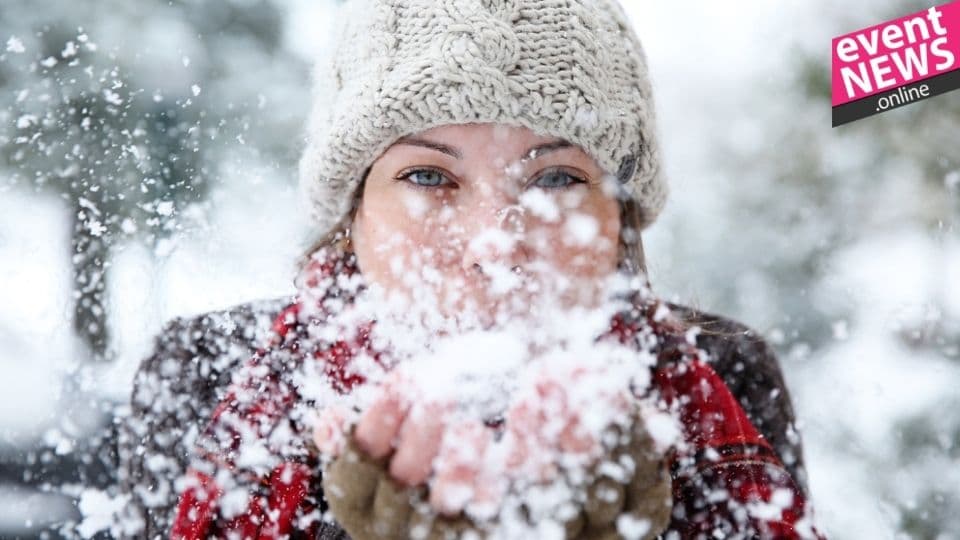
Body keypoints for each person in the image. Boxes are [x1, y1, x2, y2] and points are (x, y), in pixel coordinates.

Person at [115, 0, 825, 538]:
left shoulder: (724, 375)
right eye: (428, 176)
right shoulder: (207, 372)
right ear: (354, 211)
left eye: (554, 179)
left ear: (619, 219)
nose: (496, 242)